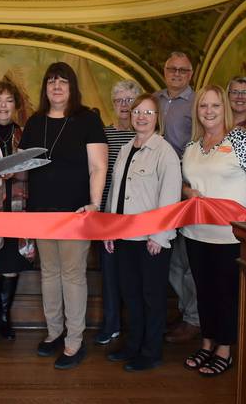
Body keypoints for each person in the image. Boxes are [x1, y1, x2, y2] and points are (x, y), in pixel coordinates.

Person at [181, 85, 246, 376]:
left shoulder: (239, 139)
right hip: (195, 233)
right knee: (203, 291)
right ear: (197, 111)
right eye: (203, 106)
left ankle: (224, 349)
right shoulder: (192, 146)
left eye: (215, 106)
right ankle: (207, 342)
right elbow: (185, 182)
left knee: (225, 293)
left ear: (223, 108)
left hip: (229, 235)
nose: (209, 111)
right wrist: (188, 191)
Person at [19, 61, 107, 370]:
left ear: (72, 88)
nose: (57, 87)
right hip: (41, 212)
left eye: (63, 82)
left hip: (75, 212)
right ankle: (54, 332)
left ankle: (74, 341)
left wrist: (94, 204)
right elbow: (22, 167)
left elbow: (98, 167)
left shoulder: (87, 120)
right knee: (49, 274)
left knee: (72, 275)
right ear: (45, 88)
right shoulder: (34, 122)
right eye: (51, 82)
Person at [103, 93, 181, 372]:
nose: (141, 117)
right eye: (137, 111)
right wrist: (110, 230)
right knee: (131, 295)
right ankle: (133, 344)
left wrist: (159, 236)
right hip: (124, 237)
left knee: (152, 296)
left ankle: (151, 351)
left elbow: (170, 198)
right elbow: (115, 194)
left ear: (157, 118)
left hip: (151, 241)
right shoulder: (125, 150)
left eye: (148, 113)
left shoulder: (165, 152)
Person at [0, 78, 35, 344]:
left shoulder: (25, 134)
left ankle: (4, 318)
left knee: (11, 264)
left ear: (15, 106)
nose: (3, 105)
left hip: (18, 209)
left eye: (8, 100)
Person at [153, 51, 200, 344]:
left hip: (185, 188)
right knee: (168, 257)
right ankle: (185, 310)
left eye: (183, 70)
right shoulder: (154, 101)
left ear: (191, 74)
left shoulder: (197, 104)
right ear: (164, 70)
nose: (177, 74)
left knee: (186, 258)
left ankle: (193, 318)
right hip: (156, 189)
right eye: (172, 69)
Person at [93, 79, 141, 346]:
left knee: (133, 274)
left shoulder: (144, 135)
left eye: (129, 100)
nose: (124, 105)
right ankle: (110, 325)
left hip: (136, 215)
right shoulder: (104, 134)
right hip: (108, 213)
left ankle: (135, 328)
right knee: (109, 274)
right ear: (112, 104)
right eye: (119, 100)